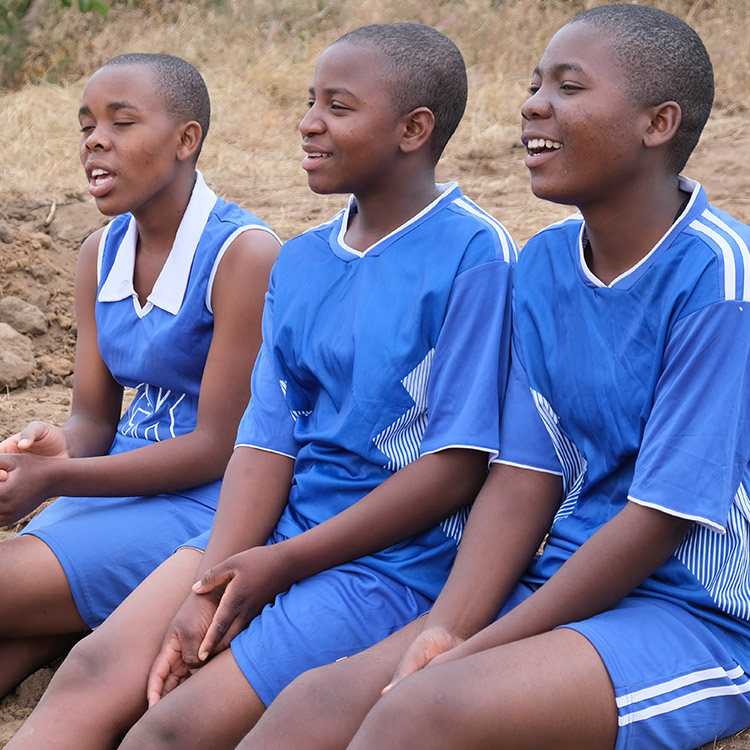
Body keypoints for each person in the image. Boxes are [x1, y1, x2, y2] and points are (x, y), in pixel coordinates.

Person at [236, 5, 750, 750]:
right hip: (563, 576)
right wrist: (449, 624)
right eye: (536, 83)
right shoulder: (542, 265)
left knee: (422, 710)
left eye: (569, 87)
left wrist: (475, 651)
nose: (533, 103)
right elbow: (522, 476)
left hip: (696, 612)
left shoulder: (720, 276)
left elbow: (661, 516)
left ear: (658, 122)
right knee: (316, 704)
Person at [6, 22, 518, 750]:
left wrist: (276, 565)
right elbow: (265, 441)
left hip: (385, 560)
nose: (307, 121)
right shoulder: (306, 259)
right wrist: (216, 575)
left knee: (172, 729)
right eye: (310, 100)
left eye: (337, 106)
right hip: (265, 533)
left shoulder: (475, 251)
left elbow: (456, 466)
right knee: (93, 669)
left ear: (414, 128)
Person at [0, 53, 280, 698]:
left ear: (187, 140)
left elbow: (219, 447)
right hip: (116, 482)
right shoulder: (99, 253)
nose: (96, 140)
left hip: (207, 503)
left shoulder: (243, 253)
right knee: (20, 630)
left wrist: (60, 478)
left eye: (122, 123)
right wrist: (55, 449)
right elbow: (96, 421)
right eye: (87, 126)